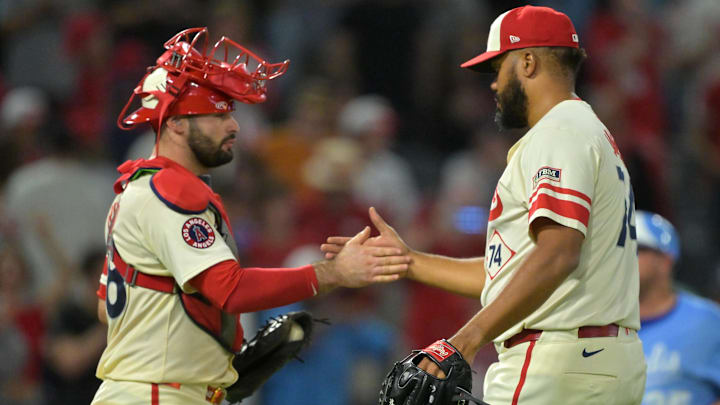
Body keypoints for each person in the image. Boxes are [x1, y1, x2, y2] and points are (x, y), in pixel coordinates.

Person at [324, 5, 645, 404]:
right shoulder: (589, 132)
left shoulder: (558, 132)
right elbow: (517, 271)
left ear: (528, 62)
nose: (493, 85)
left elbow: (558, 253)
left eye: (499, 68)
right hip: (597, 361)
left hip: (556, 361)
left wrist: (466, 339)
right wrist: (409, 261)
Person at [91, 27, 410, 405]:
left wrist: (219, 362)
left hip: (157, 390)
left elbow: (107, 310)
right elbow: (230, 289)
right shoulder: (169, 191)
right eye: (216, 114)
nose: (234, 126)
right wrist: (333, 273)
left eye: (231, 113)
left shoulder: (139, 188)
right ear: (175, 122)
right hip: (158, 396)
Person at [635, 210, 720, 405]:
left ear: (665, 260)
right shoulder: (600, 322)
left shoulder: (707, 322)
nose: (623, 257)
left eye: (636, 248)